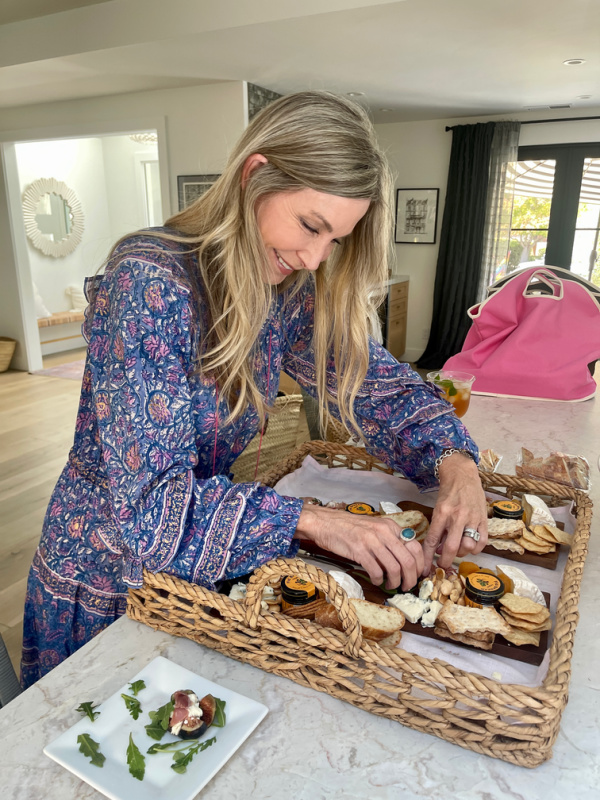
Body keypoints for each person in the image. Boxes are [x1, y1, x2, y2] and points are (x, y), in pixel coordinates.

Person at [21, 91, 487, 688]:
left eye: (336, 240)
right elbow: (150, 515)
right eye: (311, 226)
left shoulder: (284, 286)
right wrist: (316, 521)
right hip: (106, 578)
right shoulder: (148, 284)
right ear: (255, 176)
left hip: (198, 566)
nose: (314, 258)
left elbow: (374, 386)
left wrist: (456, 464)